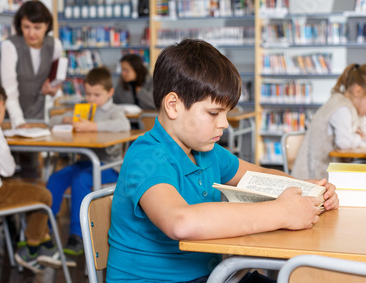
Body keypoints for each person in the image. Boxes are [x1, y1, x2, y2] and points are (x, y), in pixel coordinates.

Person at [106, 39, 339, 282]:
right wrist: (281, 212)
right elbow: (180, 222)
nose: (224, 124)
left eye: (227, 113)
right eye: (214, 113)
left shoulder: (206, 151)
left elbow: (258, 176)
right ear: (173, 106)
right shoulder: (147, 156)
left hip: (214, 276)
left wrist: (308, 190)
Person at [0, 80, 76, 274]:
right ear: (0, 106)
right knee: (43, 195)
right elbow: (8, 170)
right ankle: (31, 250)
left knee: (26, 192)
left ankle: (48, 246)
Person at [47, 67, 130, 255]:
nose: (91, 99)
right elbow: (52, 121)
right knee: (56, 178)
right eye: (88, 94)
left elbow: (123, 124)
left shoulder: (114, 111)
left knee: (81, 180)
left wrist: (92, 126)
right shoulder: (84, 108)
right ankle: (45, 231)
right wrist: (67, 119)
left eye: (97, 95)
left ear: (110, 93)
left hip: (109, 166)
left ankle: (77, 235)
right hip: (84, 163)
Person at [0, 0, 63, 178]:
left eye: (37, 27)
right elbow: (9, 88)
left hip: (34, 112)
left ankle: (30, 203)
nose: (31, 33)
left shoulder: (54, 45)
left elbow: (56, 81)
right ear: (19, 26)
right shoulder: (9, 45)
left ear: (47, 25)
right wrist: (18, 120)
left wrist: (54, 90)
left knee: (30, 167)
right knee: (3, 166)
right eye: (26, 27)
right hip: (5, 112)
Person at [291, 63, 366, 180]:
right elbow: (344, 142)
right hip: (314, 176)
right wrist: (360, 137)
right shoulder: (341, 109)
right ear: (358, 91)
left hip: (330, 173)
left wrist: (359, 136)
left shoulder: (355, 110)